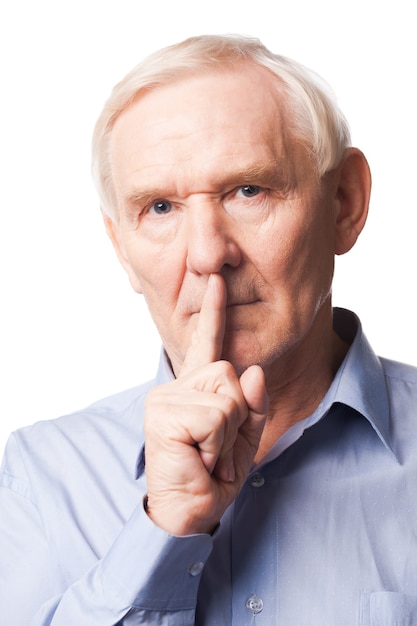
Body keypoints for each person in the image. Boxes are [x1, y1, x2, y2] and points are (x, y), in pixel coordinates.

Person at [1, 33, 417, 626]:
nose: (206, 254)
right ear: (121, 247)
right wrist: (162, 528)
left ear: (345, 203)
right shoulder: (43, 476)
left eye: (249, 190)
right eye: (161, 209)